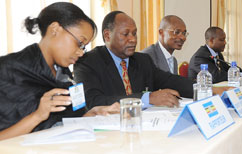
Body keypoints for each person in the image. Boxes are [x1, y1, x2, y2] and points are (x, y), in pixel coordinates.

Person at [0, 2, 119, 141]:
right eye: (79, 43)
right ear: (55, 29)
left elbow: (60, 124)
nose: (81, 53)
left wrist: (92, 114)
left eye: (84, 47)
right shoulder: (8, 71)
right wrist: (38, 115)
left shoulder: (63, 74)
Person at [74, 11, 227, 110]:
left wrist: (209, 89)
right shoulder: (87, 62)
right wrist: (148, 98)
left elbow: (171, 80)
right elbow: (93, 101)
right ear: (107, 36)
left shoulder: (142, 60)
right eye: (126, 34)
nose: (133, 40)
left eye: (135, 33)